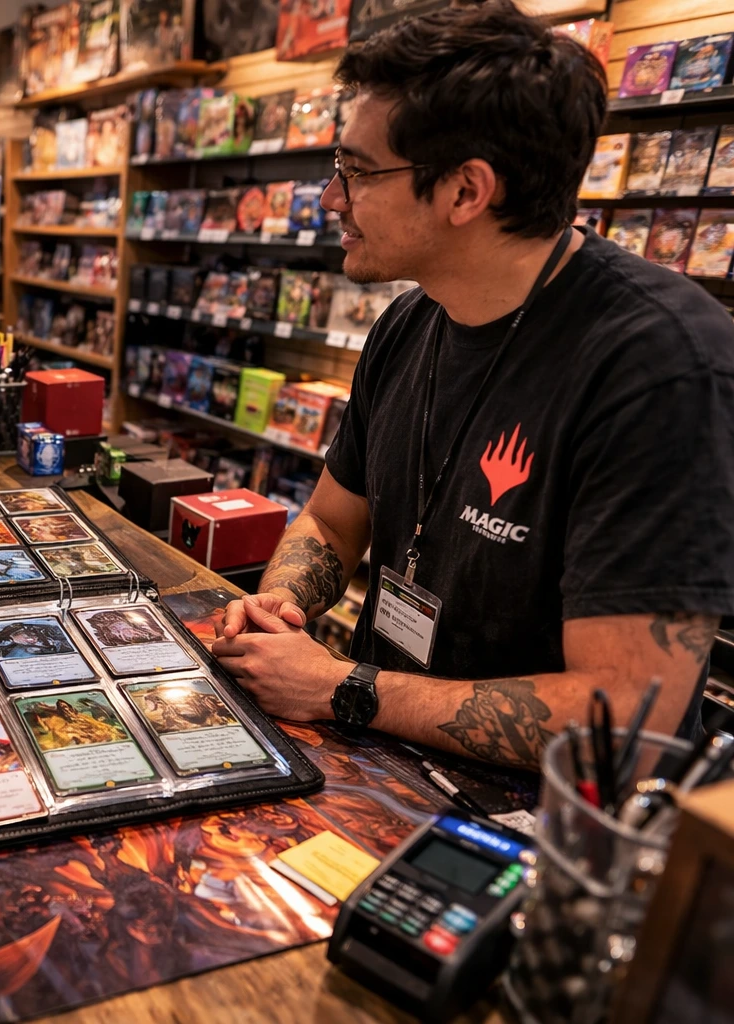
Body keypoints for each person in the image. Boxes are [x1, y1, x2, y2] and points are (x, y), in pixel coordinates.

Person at [211, 0, 734, 770]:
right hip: (388, 763)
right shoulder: (409, 322)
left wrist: (342, 687)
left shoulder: (664, 370)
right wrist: (283, 605)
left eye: (356, 171)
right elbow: (331, 521)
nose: (330, 200)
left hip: (544, 834)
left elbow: (624, 721)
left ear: (465, 192)